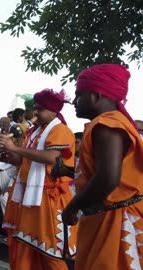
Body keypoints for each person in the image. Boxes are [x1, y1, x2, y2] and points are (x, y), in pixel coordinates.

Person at [61, 64, 143, 269]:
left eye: (79, 95)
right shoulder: (108, 123)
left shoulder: (108, 125)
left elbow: (107, 178)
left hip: (117, 221)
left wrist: (73, 206)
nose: (74, 102)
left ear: (97, 96)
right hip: (106, 218)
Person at [0, 89, 77, 270]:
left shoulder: (61, 130)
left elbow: (51, 157)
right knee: (26, 250)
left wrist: (16, 149)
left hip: (49, 200)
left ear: (53, 111)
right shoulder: (33, 133)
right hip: (28, 198)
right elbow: (22, 162)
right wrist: (7, 152)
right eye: (35, 108)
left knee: (50, 252)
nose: (34, 113)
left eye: (40, 109)